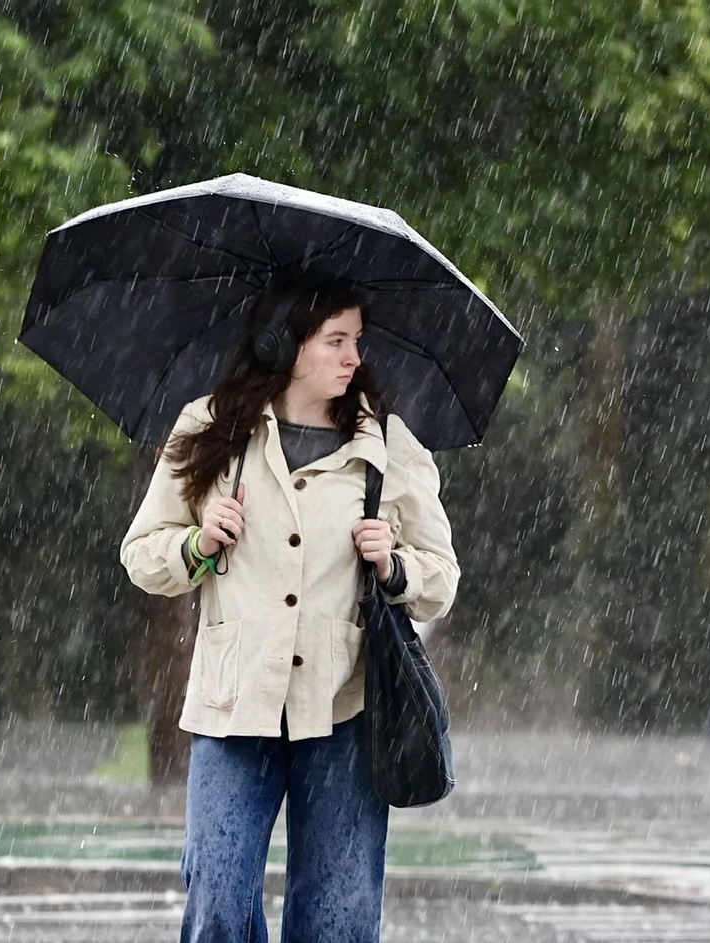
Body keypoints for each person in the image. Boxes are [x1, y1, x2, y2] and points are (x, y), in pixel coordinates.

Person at [120, 274, 460, 943]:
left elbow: (440, 577)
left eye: (356, 340)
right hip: (232, 704)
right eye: (335, 339)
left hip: (345, 712)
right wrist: (197, 542)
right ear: (286, 342)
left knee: (339, 917)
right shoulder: (211, 426)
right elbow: (142, 553)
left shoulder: (388, 447)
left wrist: (393, 564)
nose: (352, 355)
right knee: (217, 903)